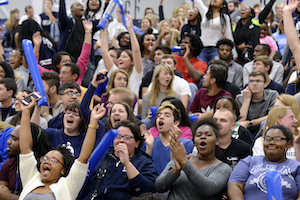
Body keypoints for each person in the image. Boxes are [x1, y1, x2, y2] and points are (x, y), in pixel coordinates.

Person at [18, 96, 105, 200]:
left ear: (63, 170)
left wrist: (93, 122)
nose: (47, 162)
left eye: (53, 160)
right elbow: (25, 150)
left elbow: (83, 158)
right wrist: (26, 111)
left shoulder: (67, 186)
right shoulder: (32, 178)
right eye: (44, 159)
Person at [78, 120, 158, 200]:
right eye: (118, 137)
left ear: (137, 143)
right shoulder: (102, 156)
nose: (121, 140)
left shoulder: (145, 163)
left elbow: (148, 191)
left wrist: (127, 163)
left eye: (127, 138)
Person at [155, 117, 232, 199]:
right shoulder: (180, 160)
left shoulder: (223, 168)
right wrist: (175, 170)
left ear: (216, 141)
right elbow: (159, 187)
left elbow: (209, 188)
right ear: (194, 142)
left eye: (208, 135)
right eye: (198, 135)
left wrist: (185, 164)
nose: (203, 137)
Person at [228, 125, 300, 200]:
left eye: (277, 139)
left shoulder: (296, 167)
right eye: (267, 139)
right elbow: (234, 186)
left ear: (288, 144)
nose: (271, 142)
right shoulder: (249, 162)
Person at [0, 125, 52, 199]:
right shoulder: (9, 164)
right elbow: (2, 193)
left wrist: (10, 197)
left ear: (29, 143)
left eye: (14, 139)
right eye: (10, 137)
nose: (8, 141)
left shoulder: (44, 167)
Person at [142, 104, 193, 174]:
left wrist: (174, 141)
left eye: (167, 115)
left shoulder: (186, 144)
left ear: (176, 123)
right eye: (159, 115)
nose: (161, 117)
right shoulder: (149, 142)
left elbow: (179, 170)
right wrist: (149, 147)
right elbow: (144, 171)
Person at [101, 15, 143, 97]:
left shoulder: (136, 74)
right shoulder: (114, 72)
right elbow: (104, 52)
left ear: (132, 61)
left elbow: (136, 51)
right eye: (119, 57)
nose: (120, 59)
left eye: (124, 57)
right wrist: (104, 29)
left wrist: (130, 29)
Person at [236, 71, 278, 137]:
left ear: (265, 84)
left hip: (265, 130)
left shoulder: (272, 95)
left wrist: (250, 123)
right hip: (245, 131)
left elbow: (272, 116)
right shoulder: (240, 97)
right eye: (251, 81)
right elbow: (241, 121)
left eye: (258, 81)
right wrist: (247, 99)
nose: (254, 84)